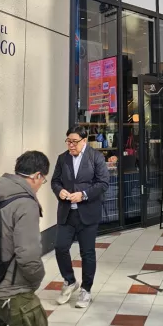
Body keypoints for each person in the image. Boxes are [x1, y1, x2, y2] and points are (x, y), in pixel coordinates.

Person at [0, 151, 50, 326]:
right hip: (12, 295)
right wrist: (37, 279)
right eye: (42, 180)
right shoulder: (26, 204)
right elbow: (28, 255)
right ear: (37, 175)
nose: (40, 185)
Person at [51, 126, 110, 309]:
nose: (71, 145)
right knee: (60, 247)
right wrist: (59, 190)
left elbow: (103, 183)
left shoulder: (96, 157)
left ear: (84, 140)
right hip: (67, 212)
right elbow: (55, 181)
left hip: (87, 212)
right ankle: (69, 281)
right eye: (68, 141)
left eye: (74, 141)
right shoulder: (63, 158)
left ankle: (86, 289)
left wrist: (83, 194)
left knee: (87, 252)